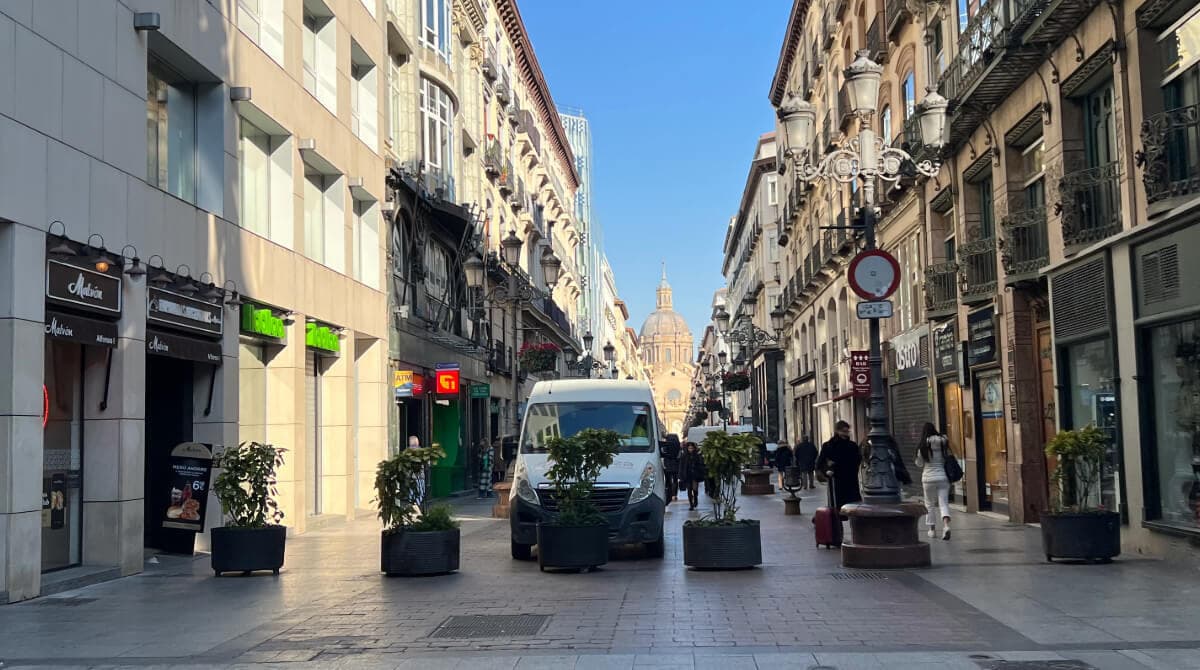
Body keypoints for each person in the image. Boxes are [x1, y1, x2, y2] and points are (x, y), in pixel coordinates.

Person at [915, 422, 952, 540]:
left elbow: (919, 463)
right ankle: (946, 526)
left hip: (928, 478)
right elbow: (948, 458)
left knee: (929, 504)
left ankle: (932, 530)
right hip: (942, 477)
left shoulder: (923, 446)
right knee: (943, 503)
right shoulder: (943, 443)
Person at [816, 421, 862, 511]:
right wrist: (827, 470)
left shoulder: (852, 446)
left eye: (847, 431)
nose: (846, 434)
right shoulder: (828, 445)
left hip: (850, 479)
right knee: (837, 507)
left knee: (852, 506)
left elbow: (857, 460)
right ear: (837, 431)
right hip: (836, 480)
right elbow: (820, 463)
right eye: (844, 431)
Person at [679, 441, 707, 511]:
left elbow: (701, 465)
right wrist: (681, 475)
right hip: (687, 475)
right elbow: (681, 466)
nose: (690, 450)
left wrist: (701, 473)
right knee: (689, 490)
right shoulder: (684, 456)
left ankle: (695, 499)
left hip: (695, 476)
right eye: (689, 448)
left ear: (694, 448)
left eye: (691, 448)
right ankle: (691, 504)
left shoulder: (697, 456)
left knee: (695, 489)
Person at [660, 434, 682, 503]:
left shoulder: (665, 446)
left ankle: (669, 494)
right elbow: (679, 456)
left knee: (668, 481)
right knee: (675, 480)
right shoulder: (678, 447)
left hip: (667, 466)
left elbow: (662, 455)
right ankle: (674, 494)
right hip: (676, 466)